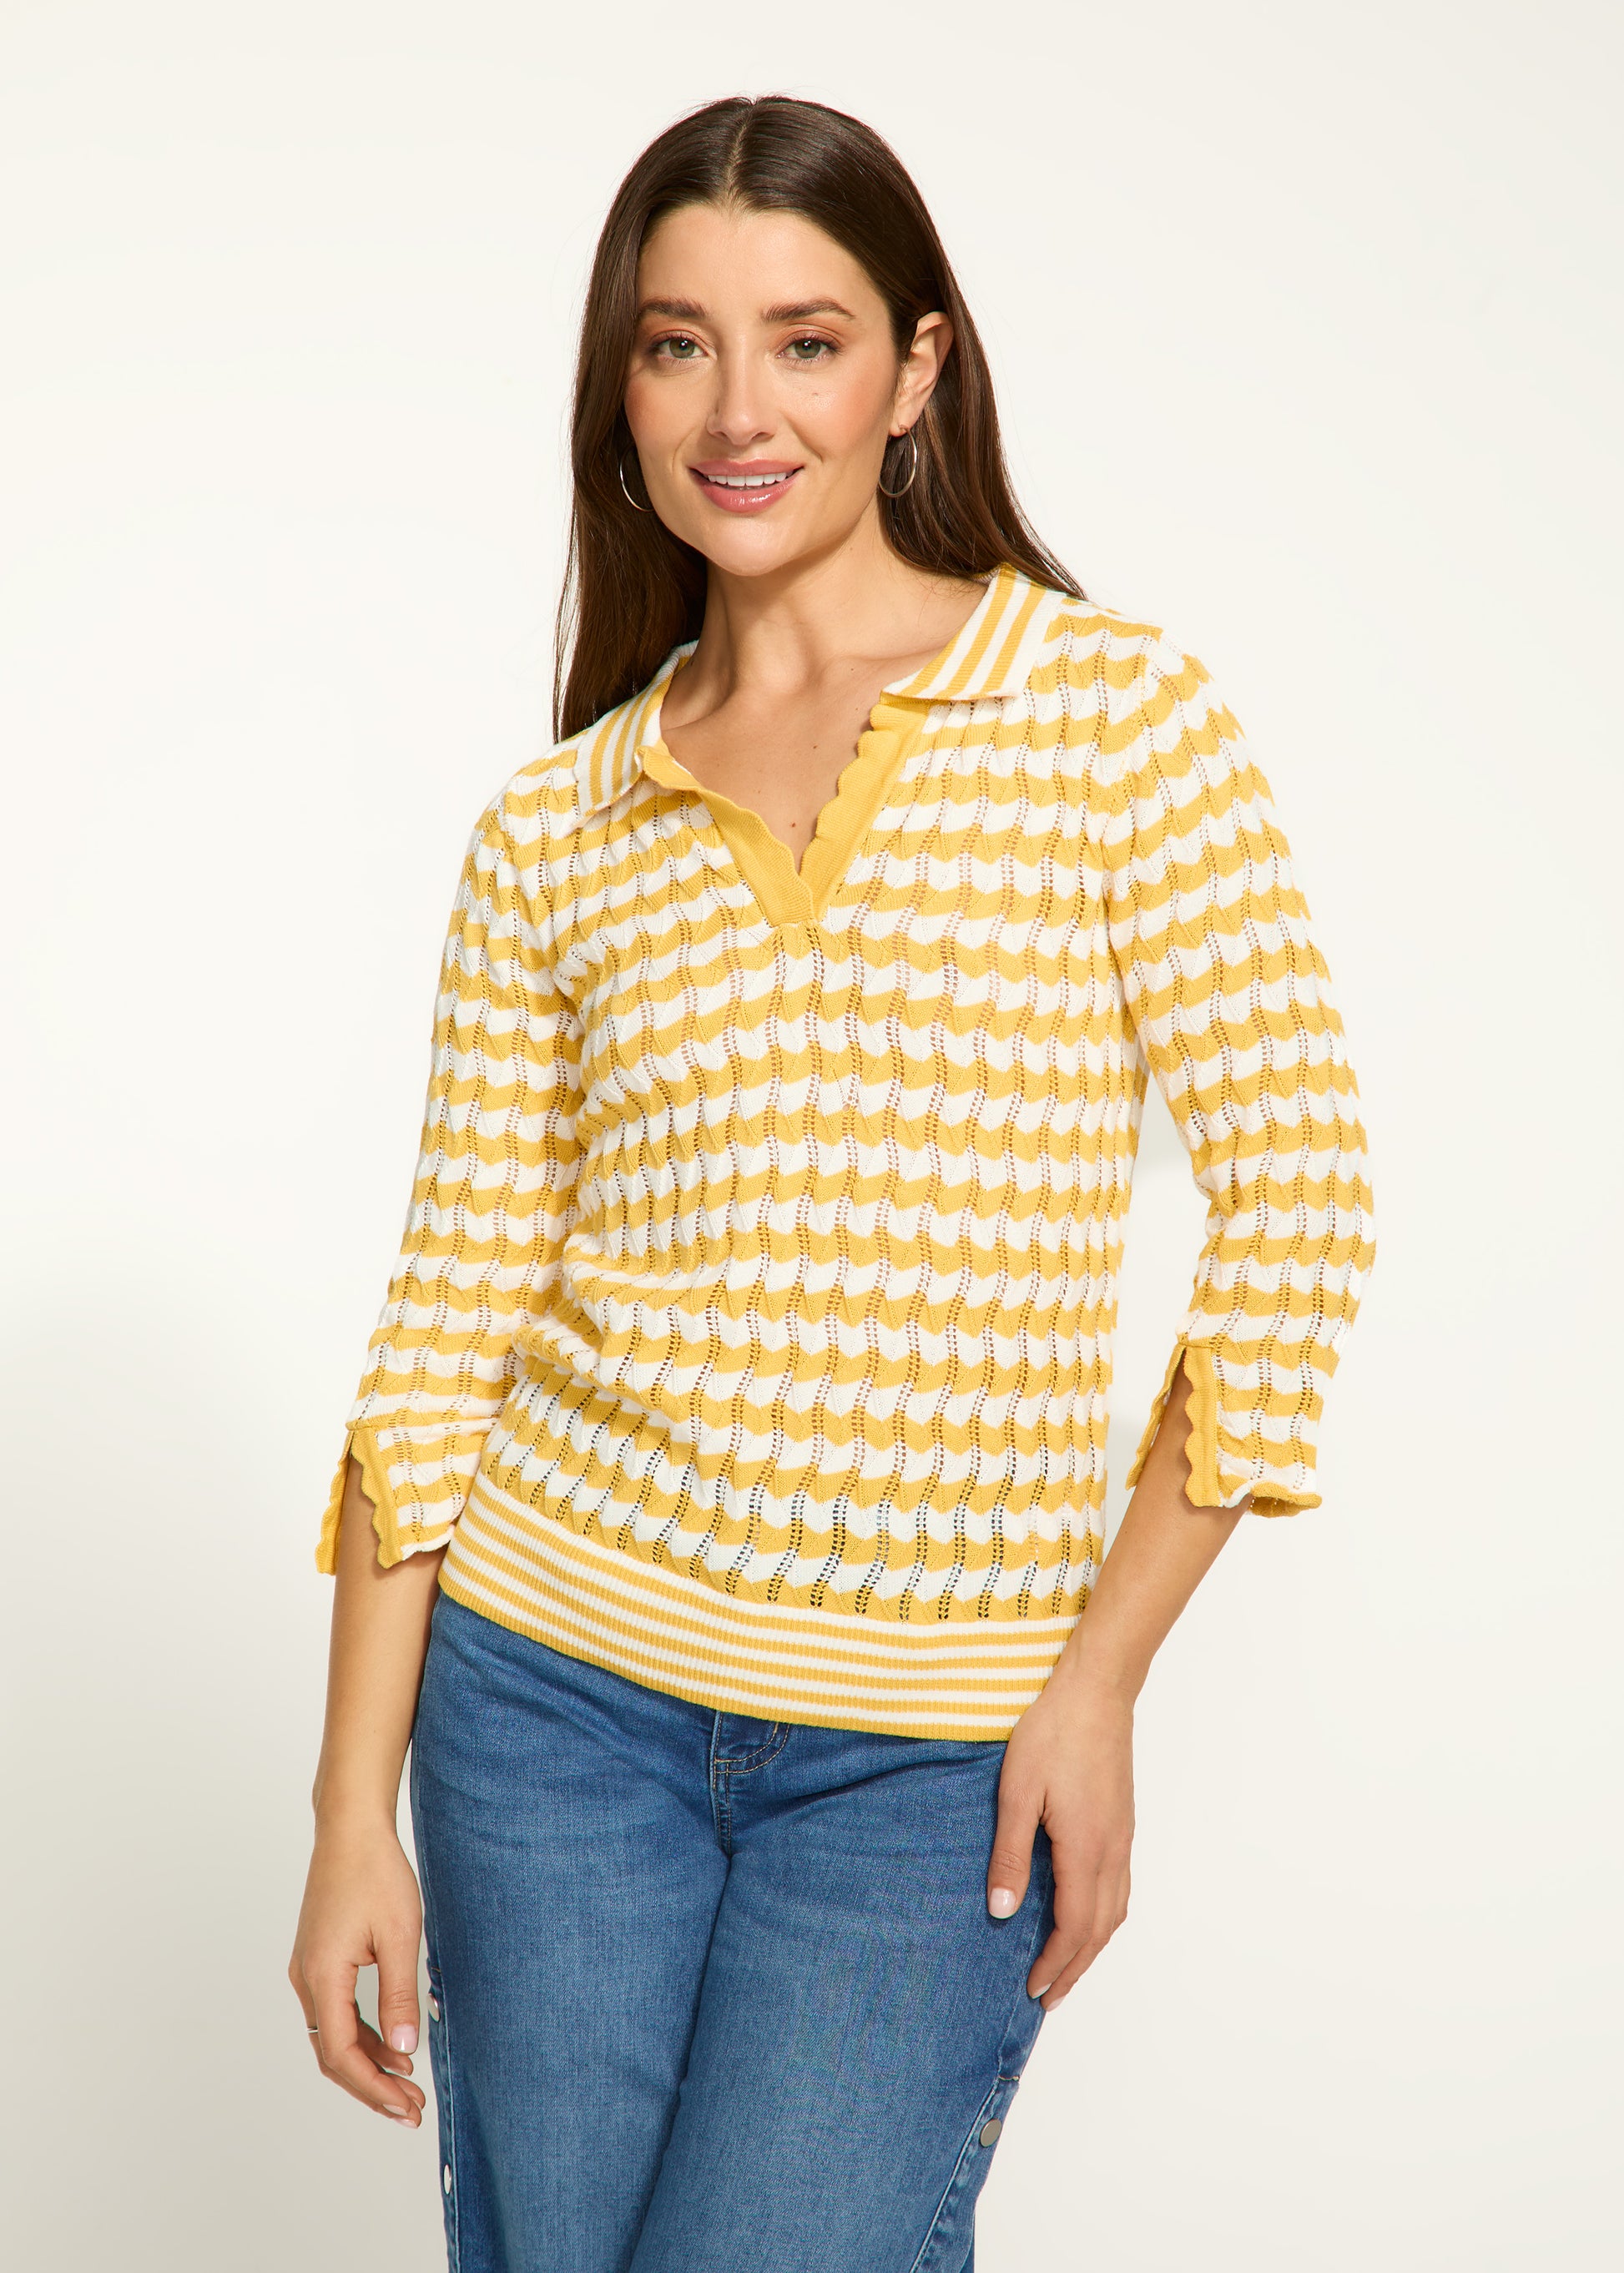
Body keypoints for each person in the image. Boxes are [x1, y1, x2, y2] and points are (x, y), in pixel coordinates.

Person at [289, 92, 1377, 2273]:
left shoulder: (1111, 723)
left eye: (805, 340)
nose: (739, 407)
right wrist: (346, 1813)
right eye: (676, 342)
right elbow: (447, 1323)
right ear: (620, 389)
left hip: (927, 1756)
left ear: (913, 371)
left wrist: (1096, 1683)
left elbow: (1300, 1206)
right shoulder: (557, 831)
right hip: (545, 1702)